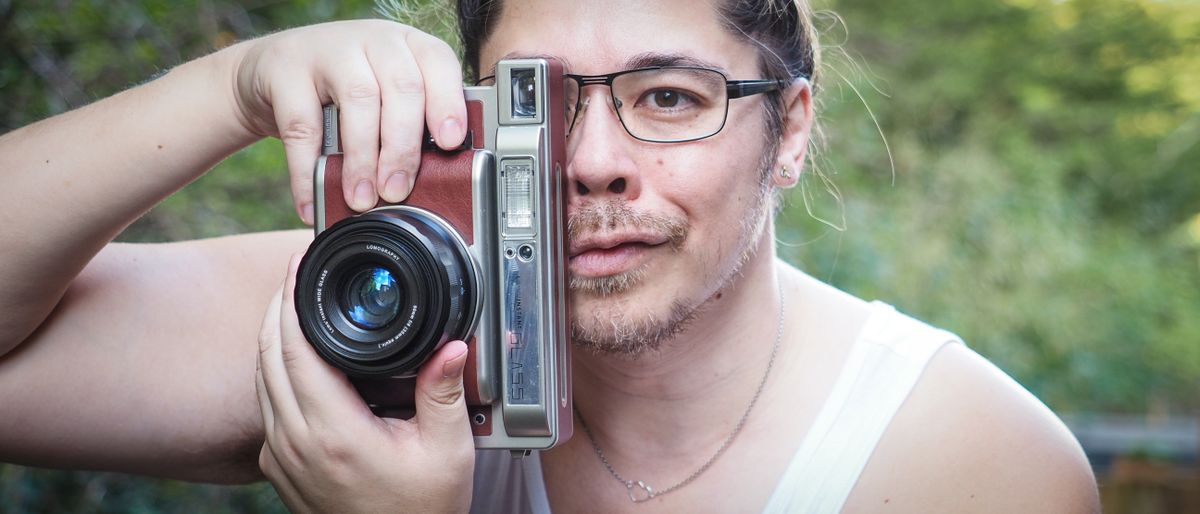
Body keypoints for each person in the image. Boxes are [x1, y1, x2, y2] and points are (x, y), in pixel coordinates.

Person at [0, 0, 1100, 512]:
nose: (594, 163)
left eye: (670, 97)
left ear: (792, 130)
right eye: (538, 105)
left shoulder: (962, 462)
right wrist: (226, 89)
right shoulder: (378, 326)